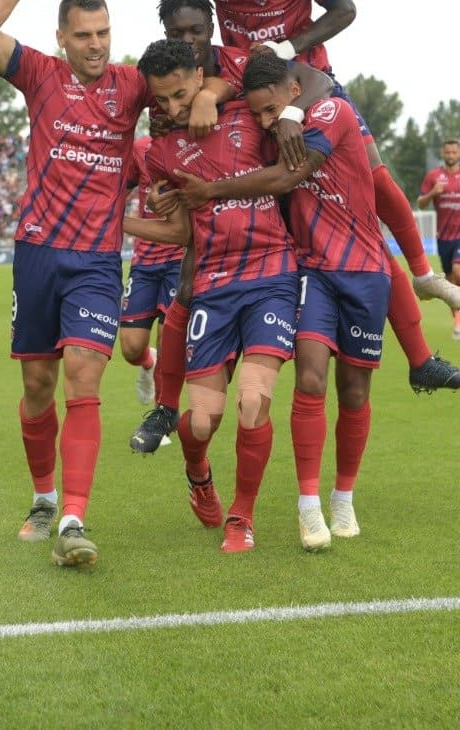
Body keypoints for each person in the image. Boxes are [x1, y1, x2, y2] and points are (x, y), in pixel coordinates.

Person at [128, 0, 460, 455]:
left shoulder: (241, 62)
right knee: (187, 284)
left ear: (212, 27)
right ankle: (166, 408)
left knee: (371, 201)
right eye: (178, 33)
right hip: (217, 214)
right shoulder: (164, 81)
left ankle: (421, 307)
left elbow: (316, 80)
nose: (188, 40)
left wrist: (286, 112)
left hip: (275, 185)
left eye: (196, 31)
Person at [165, 0, 460, 311]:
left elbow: (345, 8)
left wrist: (288, 48)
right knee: (251, 195)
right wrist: (195, 80)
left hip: (307, 80)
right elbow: (173, 8)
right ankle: (198, 269)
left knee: (373, 180)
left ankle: (423, 274)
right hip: (244, 90)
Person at [0, 0, 157, 570]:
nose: (96, 44)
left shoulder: (133, 85)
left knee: (83, 375)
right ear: (62, 39)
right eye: (83, 35)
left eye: (103, 32)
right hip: (39, 254)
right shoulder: (42, 75)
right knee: (37, 384)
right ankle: (44, 496)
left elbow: (195, 74)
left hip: (98, 263)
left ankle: (73, 516)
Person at [171, 52, 393, 550]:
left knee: (354, 392)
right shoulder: (269, 130)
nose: (266, 124)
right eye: (259, 117)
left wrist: (213, 190)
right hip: (311, 270)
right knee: (309, 377)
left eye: (271, 111)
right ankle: (308, 506)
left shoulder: (331, 114)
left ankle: (342, 497)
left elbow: (289, 177)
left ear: (294, 93)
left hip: (362, 270)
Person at [124, 39, 298, 553]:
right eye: (163, 101)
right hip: (213, 285)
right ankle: (198, 472)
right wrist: (117, 223)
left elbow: (300, 85)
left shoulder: (250, 112)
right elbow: (181, 233)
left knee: (252, 401)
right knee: (201, 422)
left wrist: (290, 113)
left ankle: (242, 518)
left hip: (271, 273)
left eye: (181, 94)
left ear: (200, 77)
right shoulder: (158, 150)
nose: (174, 108)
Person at [118, 135, 183, 406]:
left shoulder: (191, 147)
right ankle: (148, 362)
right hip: (145, 260)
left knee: (169, 341)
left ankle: (162, 411)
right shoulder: (140, 148)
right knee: (131, 348)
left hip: (181, 257)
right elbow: (121, 187)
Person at [419, 139, 460, 341]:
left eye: (454, 152)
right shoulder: (433, 177)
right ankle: (457, 316)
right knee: (449, 280)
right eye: (447, 152)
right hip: (444, 237)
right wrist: (433, 192)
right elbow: (421, 203)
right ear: (443, 153)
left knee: (459, 270)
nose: (451, 155)